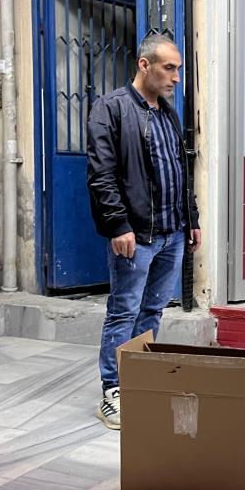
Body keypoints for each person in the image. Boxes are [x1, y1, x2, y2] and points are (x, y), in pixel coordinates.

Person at [86, 33, 201, 430]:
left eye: (179, 70)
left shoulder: (168, 113)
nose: (176, 78)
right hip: (136, 235)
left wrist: (193, 219)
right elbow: (102, 175)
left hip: (171, 233)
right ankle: (113, 390)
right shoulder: (111, 109)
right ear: (144, 65)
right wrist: (118, 224)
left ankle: (142, 380)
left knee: (153, 310)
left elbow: (180, 171)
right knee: (124, 310)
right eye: (169, 69)